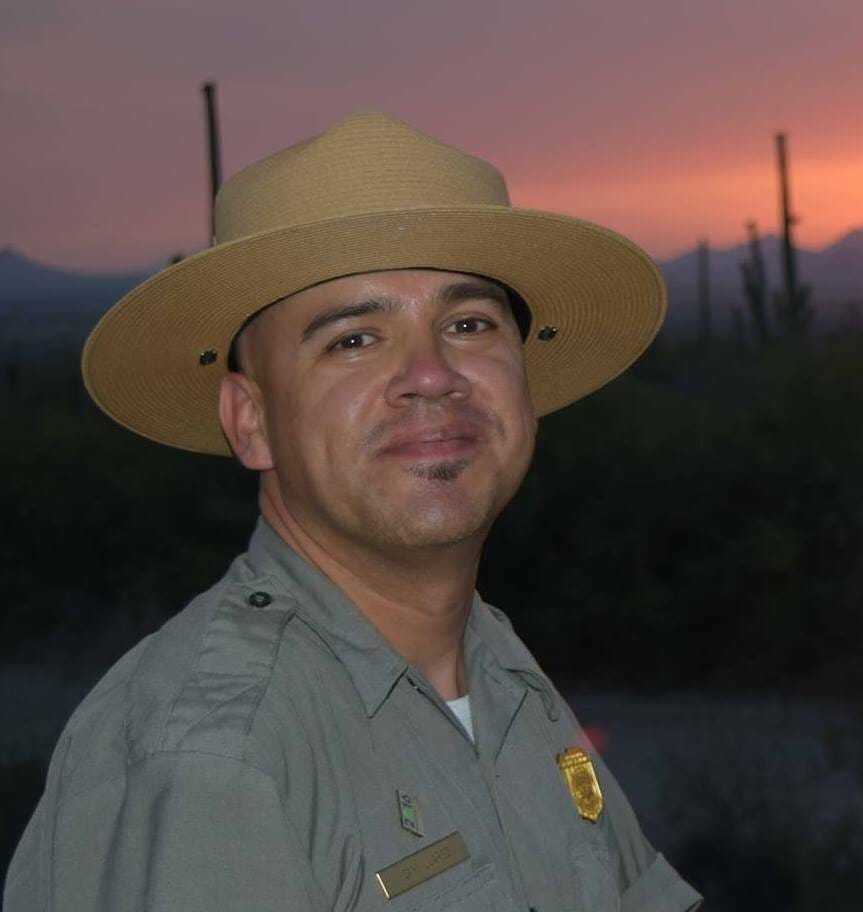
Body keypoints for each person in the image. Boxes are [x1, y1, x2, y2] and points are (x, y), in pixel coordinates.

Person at [4, 112, 702, 911]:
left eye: (469, 324)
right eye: (354, 340)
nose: (432, 375)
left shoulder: (499, 673)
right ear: (250, 420)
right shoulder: (224, 756)